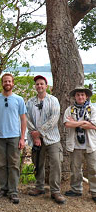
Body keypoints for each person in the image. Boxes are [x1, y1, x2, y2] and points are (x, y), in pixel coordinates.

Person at [26, 75, 66, 204]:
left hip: (52, 138)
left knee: (56, 162)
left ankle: (55, 191)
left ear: (46, 86)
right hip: (36, 139)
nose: (39, 86)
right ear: (35, 87)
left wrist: (40, 133)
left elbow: (54, 119)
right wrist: (35, 135)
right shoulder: (30, 102)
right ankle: (39, 187)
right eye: (37, 84)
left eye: (42, 84)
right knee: (38, 163)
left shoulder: (53, 100)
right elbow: (26, 118)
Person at [0, 73, 26, 204]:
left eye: (9, 81)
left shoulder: (19, 99)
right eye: (5, 81)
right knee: (0, 164)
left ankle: (13, 191)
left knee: (14, 164)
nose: (7, 83)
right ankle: (3, 188)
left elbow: (23, 118)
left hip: (14, 137)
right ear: (2, 83)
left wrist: (22, 138)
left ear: (13, 83)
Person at [63, 86, 96, 202]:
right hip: (75, 144)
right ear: (75, 97)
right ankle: (76, 189)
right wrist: (84, 123)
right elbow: (67, 124)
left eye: (82, 95)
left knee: (93, 168)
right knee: (75, 168)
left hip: (90, 144)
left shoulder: (92, 109)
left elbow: (93, 126)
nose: (80, 97)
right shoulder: (69, 109)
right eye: (78, 95)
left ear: (86, 96)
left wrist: (75, 123)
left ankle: (94, 191)